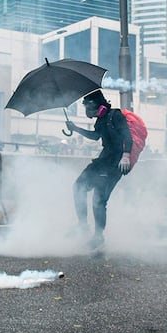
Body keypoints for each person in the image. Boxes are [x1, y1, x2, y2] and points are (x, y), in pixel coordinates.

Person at [64, 89, 132, 249]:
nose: (87, 112)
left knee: (99, 200)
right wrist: (75, 128)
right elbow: (95, 136)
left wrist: (126, 155)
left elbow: (127, 136)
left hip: (116, 164)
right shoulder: (100, 120)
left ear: (97, 106)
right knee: (78, 186)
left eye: (88, 107)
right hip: (102, 161)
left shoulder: (116, 116)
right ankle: (82, 226)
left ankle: (98, 236)